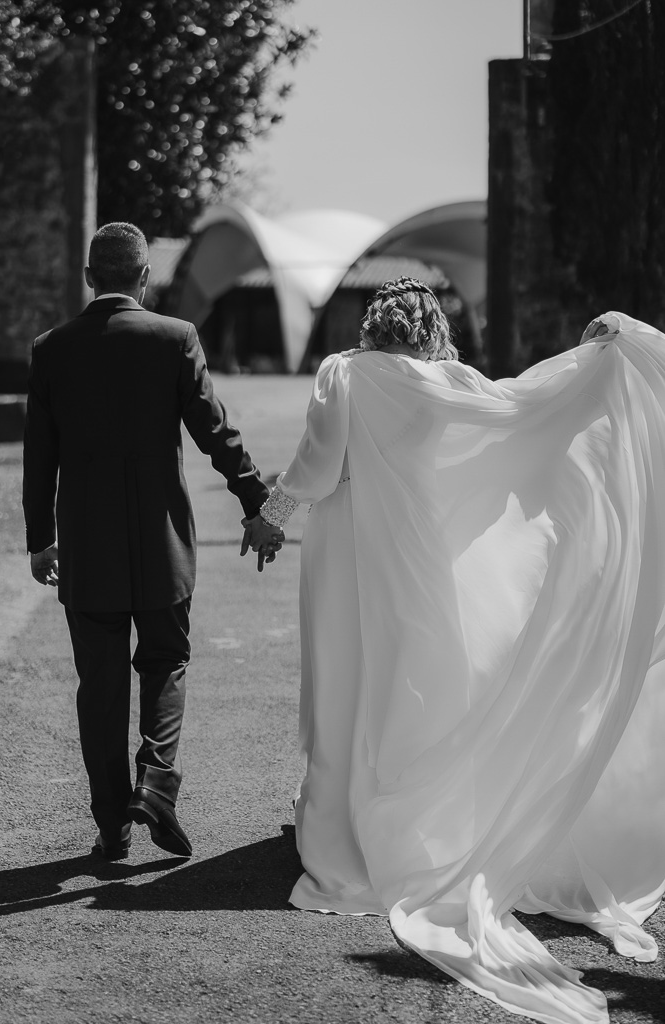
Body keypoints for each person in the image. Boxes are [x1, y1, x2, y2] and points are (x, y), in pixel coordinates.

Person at [255, 277, 665, 1024]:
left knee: (352, 686)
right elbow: (525, 410)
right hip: (426, 567)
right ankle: (430, 825)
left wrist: (269, 514)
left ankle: (350, 835)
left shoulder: (345, 373)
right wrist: (599, 363)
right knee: (421, 687)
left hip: (355, 560)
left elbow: (317, 469)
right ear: (431, 326)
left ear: (373, 323)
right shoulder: (455, 383)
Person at [22, 222, 282, 862]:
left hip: (88, 546)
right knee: (166, 660)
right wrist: (257, 502)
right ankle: (157, 783)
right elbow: (214, 433)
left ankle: (111, 826)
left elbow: (39, 457)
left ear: (90, 277)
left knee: (100, 685)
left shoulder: (52, 349)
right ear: (144, 278)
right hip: (162, 540)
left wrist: (40, 538)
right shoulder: (175, 339)